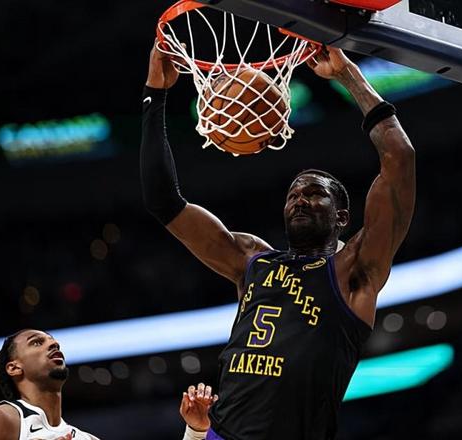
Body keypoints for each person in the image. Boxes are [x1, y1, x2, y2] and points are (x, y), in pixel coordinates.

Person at [141, 41, 415, 440]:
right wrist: (155, 92)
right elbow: (163, 201)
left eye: (315, 193)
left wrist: (347, 75)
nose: (300, 199)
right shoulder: (251, 259)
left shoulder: (355, 270)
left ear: (341, 217)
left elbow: (399, 158)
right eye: (293, 195)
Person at [0, 328, 218, 440]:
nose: (53, 344)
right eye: (36, 342)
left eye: (53, 341)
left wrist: (195, 431)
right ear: (14, 367)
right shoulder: (2, 418)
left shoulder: (85, 438)